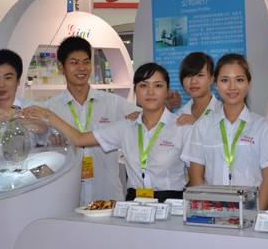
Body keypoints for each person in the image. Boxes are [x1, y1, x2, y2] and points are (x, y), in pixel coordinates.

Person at [24, 63, 191, 202]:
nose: (150, 92)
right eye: (143, 86)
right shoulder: (126, 126)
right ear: (136, 91)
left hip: (171, 204)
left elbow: (196, 179)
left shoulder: (182, 127)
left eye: (158, 86)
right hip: (134, 205)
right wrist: (48, 114)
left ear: (167, 91)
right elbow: (79, 139)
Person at [44, 36, 141, 205]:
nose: (82, 68)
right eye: (74, 63)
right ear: (61, 66)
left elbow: (146, 118)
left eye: (86, 62)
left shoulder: (113, 103)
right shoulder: (50, 109)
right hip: (68, 199)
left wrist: (141, 114)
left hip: (107, 196)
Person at [181, 54, 268, 210]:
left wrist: (257, 215)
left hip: (251, 211)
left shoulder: (263, 127)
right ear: (216, 84)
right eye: (225, 80)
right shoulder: (202, 126)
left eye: (239, 80)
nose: (232, 87)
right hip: (213, 212)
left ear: (248, 83)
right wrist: (208, 213)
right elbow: (197, 179)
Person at [174, 52, 220, 125]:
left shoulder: (223, 111)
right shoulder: (178, 116)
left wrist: (198, 124)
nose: (193, 81)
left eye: (200, 75)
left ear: (212, 78)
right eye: (188, 76)